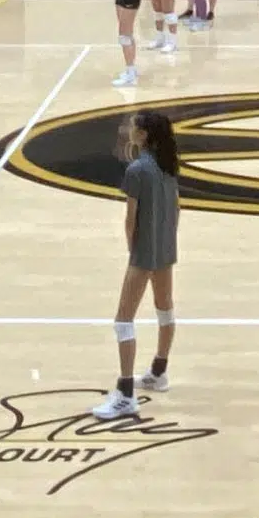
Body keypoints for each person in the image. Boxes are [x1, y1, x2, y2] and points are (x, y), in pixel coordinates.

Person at [91, 109, 180, 420]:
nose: (129, 128)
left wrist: (134, 254)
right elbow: (176, 210)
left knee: (123, 321)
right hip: (166, 249)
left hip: (144, 254)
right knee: (164, 308)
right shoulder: (169, 165)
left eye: (133, 126)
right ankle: (159, 371)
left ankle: (126, 393)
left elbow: (130, 221)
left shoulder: (137, 171)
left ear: (143, 135)